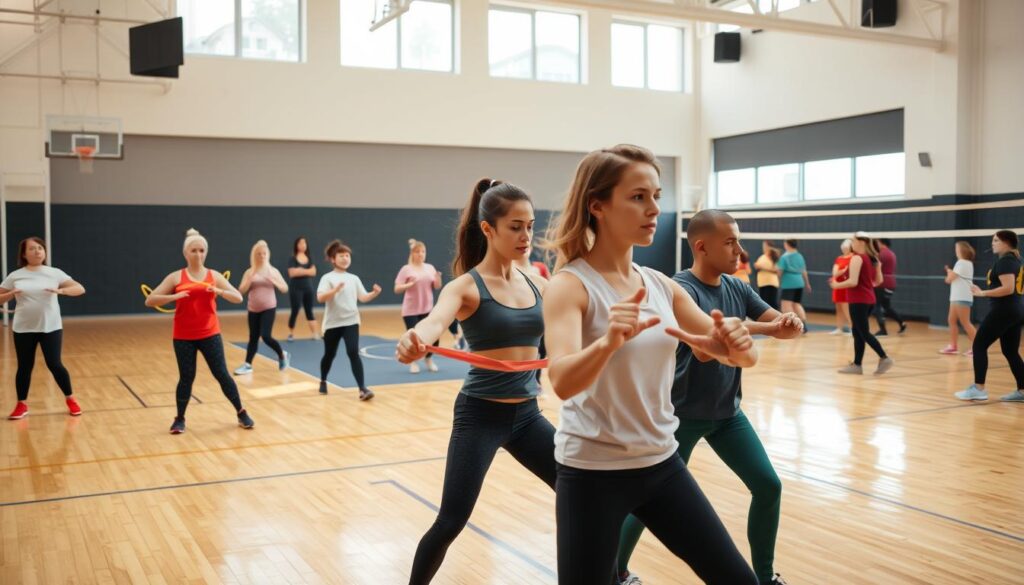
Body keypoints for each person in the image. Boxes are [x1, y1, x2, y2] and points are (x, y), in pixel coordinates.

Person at [543, 144, 759, 584]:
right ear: (597, 205)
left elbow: (741, 356)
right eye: (638, 197)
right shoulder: (570, 286)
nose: (654, 208)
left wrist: (733, 342)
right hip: (592, 473)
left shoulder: (660, 285)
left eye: (656, 196)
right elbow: (562, 381)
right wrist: (607, 342)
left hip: (661, 463)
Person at [615, 210, 803, 585]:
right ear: (701, 246)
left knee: (768, 485)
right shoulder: (677, 288)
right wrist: (768, 327)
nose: (739, 251)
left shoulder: (736, 287)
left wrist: (788, 323)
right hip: (681, 417)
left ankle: (765, 578)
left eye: (738, 241)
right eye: (730, 242)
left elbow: (774, 325)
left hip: (727, 415)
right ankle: (614, 572)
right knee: (646, 501)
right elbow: (708, 347)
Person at [397, 179, 555, 584]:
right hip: (480, 416)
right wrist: (416, 341)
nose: (525, 236)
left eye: (530, 226)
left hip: (528, 416)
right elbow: (433, 322)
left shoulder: (539, 282)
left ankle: (614, 573)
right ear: (489, 229)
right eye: (515, 226)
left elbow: (574, 327)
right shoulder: (465, 286)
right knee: (451, 521)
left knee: (582, 493)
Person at [144, 229, 254, 434]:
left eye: (202, 250)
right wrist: (173, 298)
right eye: (194, 250)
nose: (198, 254)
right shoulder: (176, 277)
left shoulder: (214, 275)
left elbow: (238, 297)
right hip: (183, 336)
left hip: (210, 334)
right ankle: (179, 419)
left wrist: (219, 291)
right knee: (186, 378)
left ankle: (241, 412)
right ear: (186, 253)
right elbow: (150, 300)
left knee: (222, 374)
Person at [0, 237, 86, 420]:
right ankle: (21, 404)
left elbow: (79, 288)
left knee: (55, 364)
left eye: (40, 248)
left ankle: (71, 399)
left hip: (51, 327)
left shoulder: (54, 273)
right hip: (23, 328)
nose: (37, 251)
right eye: (32, 248)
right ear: (24, 254)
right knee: (24, 366)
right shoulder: (15, 275)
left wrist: (61, 291)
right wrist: (10, 294)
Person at [955, 230, 1024, 402]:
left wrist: (983, 293)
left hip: (1004, 310)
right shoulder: (1016, 260)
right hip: (1015, 310)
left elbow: (1008, 288)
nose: (992, 243)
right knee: (1010, 351)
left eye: (995, 240)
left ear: (1006, 243)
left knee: (979, 345)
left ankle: (979, 389)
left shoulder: (1006, 261)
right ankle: (1023, 391)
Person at [317, 240, 382, 400]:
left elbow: (363, 297)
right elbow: (320, 297)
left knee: (353, 352)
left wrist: (373, 293)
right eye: (341, 255)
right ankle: (323, 380)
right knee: (329, 354)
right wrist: (335, 290)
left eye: (347, 255)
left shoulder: (353, 278)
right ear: (333, 259)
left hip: (351, 321)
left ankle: (362, 389)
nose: (345, 258)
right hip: (332, 323)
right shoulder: (328, 278)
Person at [394, 239, 464, 373]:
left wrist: (438, 279)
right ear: (412, 254)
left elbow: (437, 286)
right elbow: (397, 288)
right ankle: (413, 362)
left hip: (427, 309)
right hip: (411, 310)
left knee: (434, 339)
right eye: (417, 252)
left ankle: (428, 359)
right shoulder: (406, 269)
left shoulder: (429, 268)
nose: (420, 254)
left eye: (423, 252)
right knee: (414, 338)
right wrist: (408, 285)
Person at [830, 234, 893, 375]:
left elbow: (853, 281)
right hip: (868, 299)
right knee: (857, 332)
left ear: (861, 242)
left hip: (858, 300)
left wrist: (836, 284)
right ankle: (857, 365)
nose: (851, 243)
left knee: (863, 332)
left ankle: (884, 357)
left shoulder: (857, 258)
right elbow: (878, 281)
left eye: (853, 240)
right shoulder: (872, 259)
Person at [234, 240, 290, 375]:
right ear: (254, 256)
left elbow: (285, 288)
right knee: (253, 337)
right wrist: (249, 280)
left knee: (265, 336)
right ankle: (248, 365)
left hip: (269, 307)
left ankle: (282, 355)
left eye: (264, 254)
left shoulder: (273, 271)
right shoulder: (249, 272)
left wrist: (275, 281)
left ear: (267, 255)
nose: (262, 256)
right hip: (253, 308)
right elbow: (240, 291)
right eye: (259, 254)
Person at [939, 241, 977, 356]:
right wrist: (950, 272)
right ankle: (953, 346)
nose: (955, 251)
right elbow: (955, 277)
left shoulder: (961, 262)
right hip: (956, 296)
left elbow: (949, 279)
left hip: (962, 296)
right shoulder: (966, 263)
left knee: (965, 323)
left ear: (961, 250)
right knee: (952, 320)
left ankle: (978, 348)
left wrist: (949, 273)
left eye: (957, 249)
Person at [872, 238, 907, 336]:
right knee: (886, 307)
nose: (876, 244)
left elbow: (874, 268)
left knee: (877, 307)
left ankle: (883, 330)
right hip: (891, 283)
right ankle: (902, 323)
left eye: (877, 243)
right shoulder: (892, 254)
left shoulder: (880, 254)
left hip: (882, 283)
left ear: (882, 243)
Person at [287, 237, 319, 341]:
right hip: (296, 288)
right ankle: (291, 333)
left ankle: (315, 333)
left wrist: (300, 270)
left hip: (308, 288)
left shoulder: (310, 258)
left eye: (304, 243)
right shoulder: (293, 259)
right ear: (297, 245)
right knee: (295, 310)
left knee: (309, 310)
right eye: (300, 243)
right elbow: (292, 273)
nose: (303, 245)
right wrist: (306, 271)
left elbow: (313, 272)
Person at [776, 239, 810, 329]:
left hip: (789, 283)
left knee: (785, 305)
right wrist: (807, 283)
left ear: (787, 245)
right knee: (797, 304)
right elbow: (804, 271)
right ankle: (804, 325)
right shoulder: (800, 256)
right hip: (799, 282)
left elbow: (779, 271)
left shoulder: (784, 257)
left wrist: (778, 280)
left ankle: (793, 325)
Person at [830, 239, 854, 335]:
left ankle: (852, 328)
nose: (844, 249)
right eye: (843, 248)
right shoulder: (839, 258)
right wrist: (838, 273)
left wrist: (840, 273)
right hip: (837, 286)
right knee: (839, 307)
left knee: (846, 308)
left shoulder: (853, 258)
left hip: (846, 286)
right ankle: (839, 328)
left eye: (846, 248)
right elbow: (835, 273)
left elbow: (848, 271)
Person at [754, 241, 781, 310]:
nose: (764, 247)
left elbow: (777, 270)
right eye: (763, 246)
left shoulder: (774, 256)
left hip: (770, 283)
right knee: (764, 303)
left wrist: (763, 267)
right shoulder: (762, 257)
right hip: (762, 283)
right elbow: (757, 266)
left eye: (765, 246)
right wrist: (757, 266)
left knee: (772, 303)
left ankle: (779, 318)